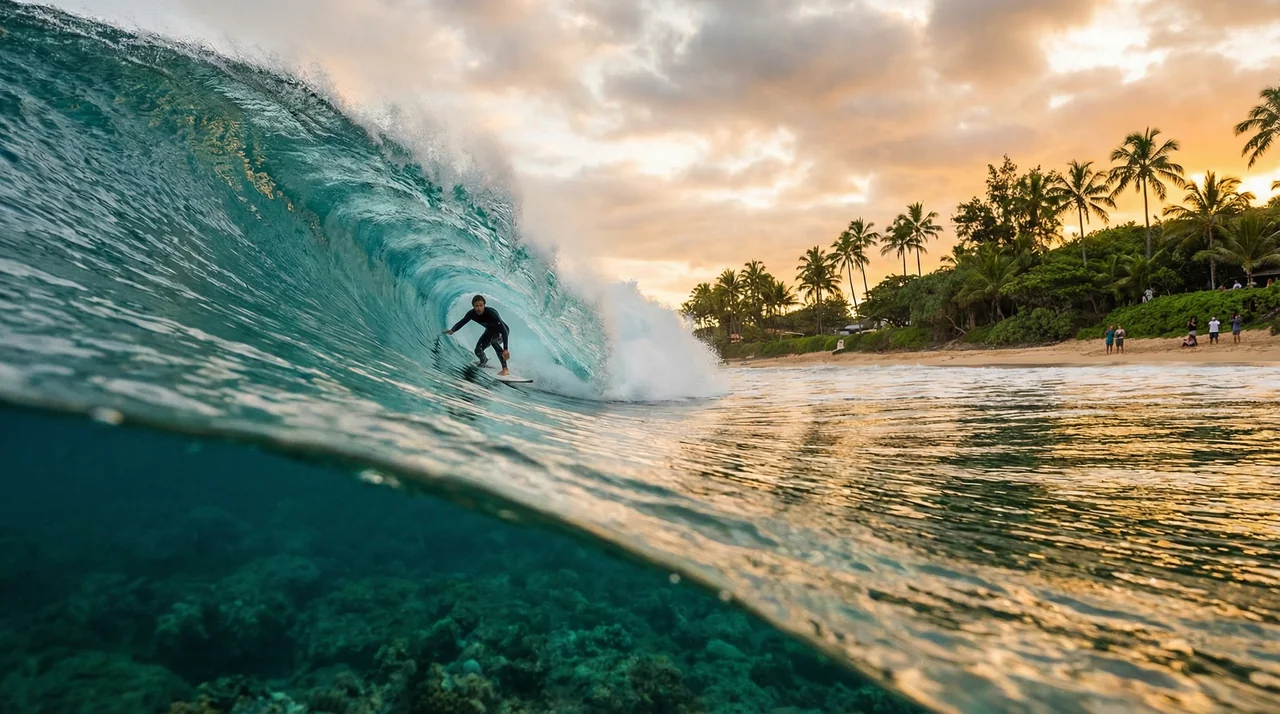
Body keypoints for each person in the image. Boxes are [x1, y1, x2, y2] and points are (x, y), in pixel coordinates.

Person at [445, 295, 512, 376]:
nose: (479, 308)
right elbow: (462, 322)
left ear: (484, 305)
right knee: (478, 350)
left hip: (502, 331)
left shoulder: (491, 313)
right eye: (476, 306)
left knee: (494, 342)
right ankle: (484, 361)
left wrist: (505, 349)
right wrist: (452, 330)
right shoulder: (471, 314)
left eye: (481, 305)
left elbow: (504, 331)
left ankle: (505, 369)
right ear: (473, 306)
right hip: (490, 331)